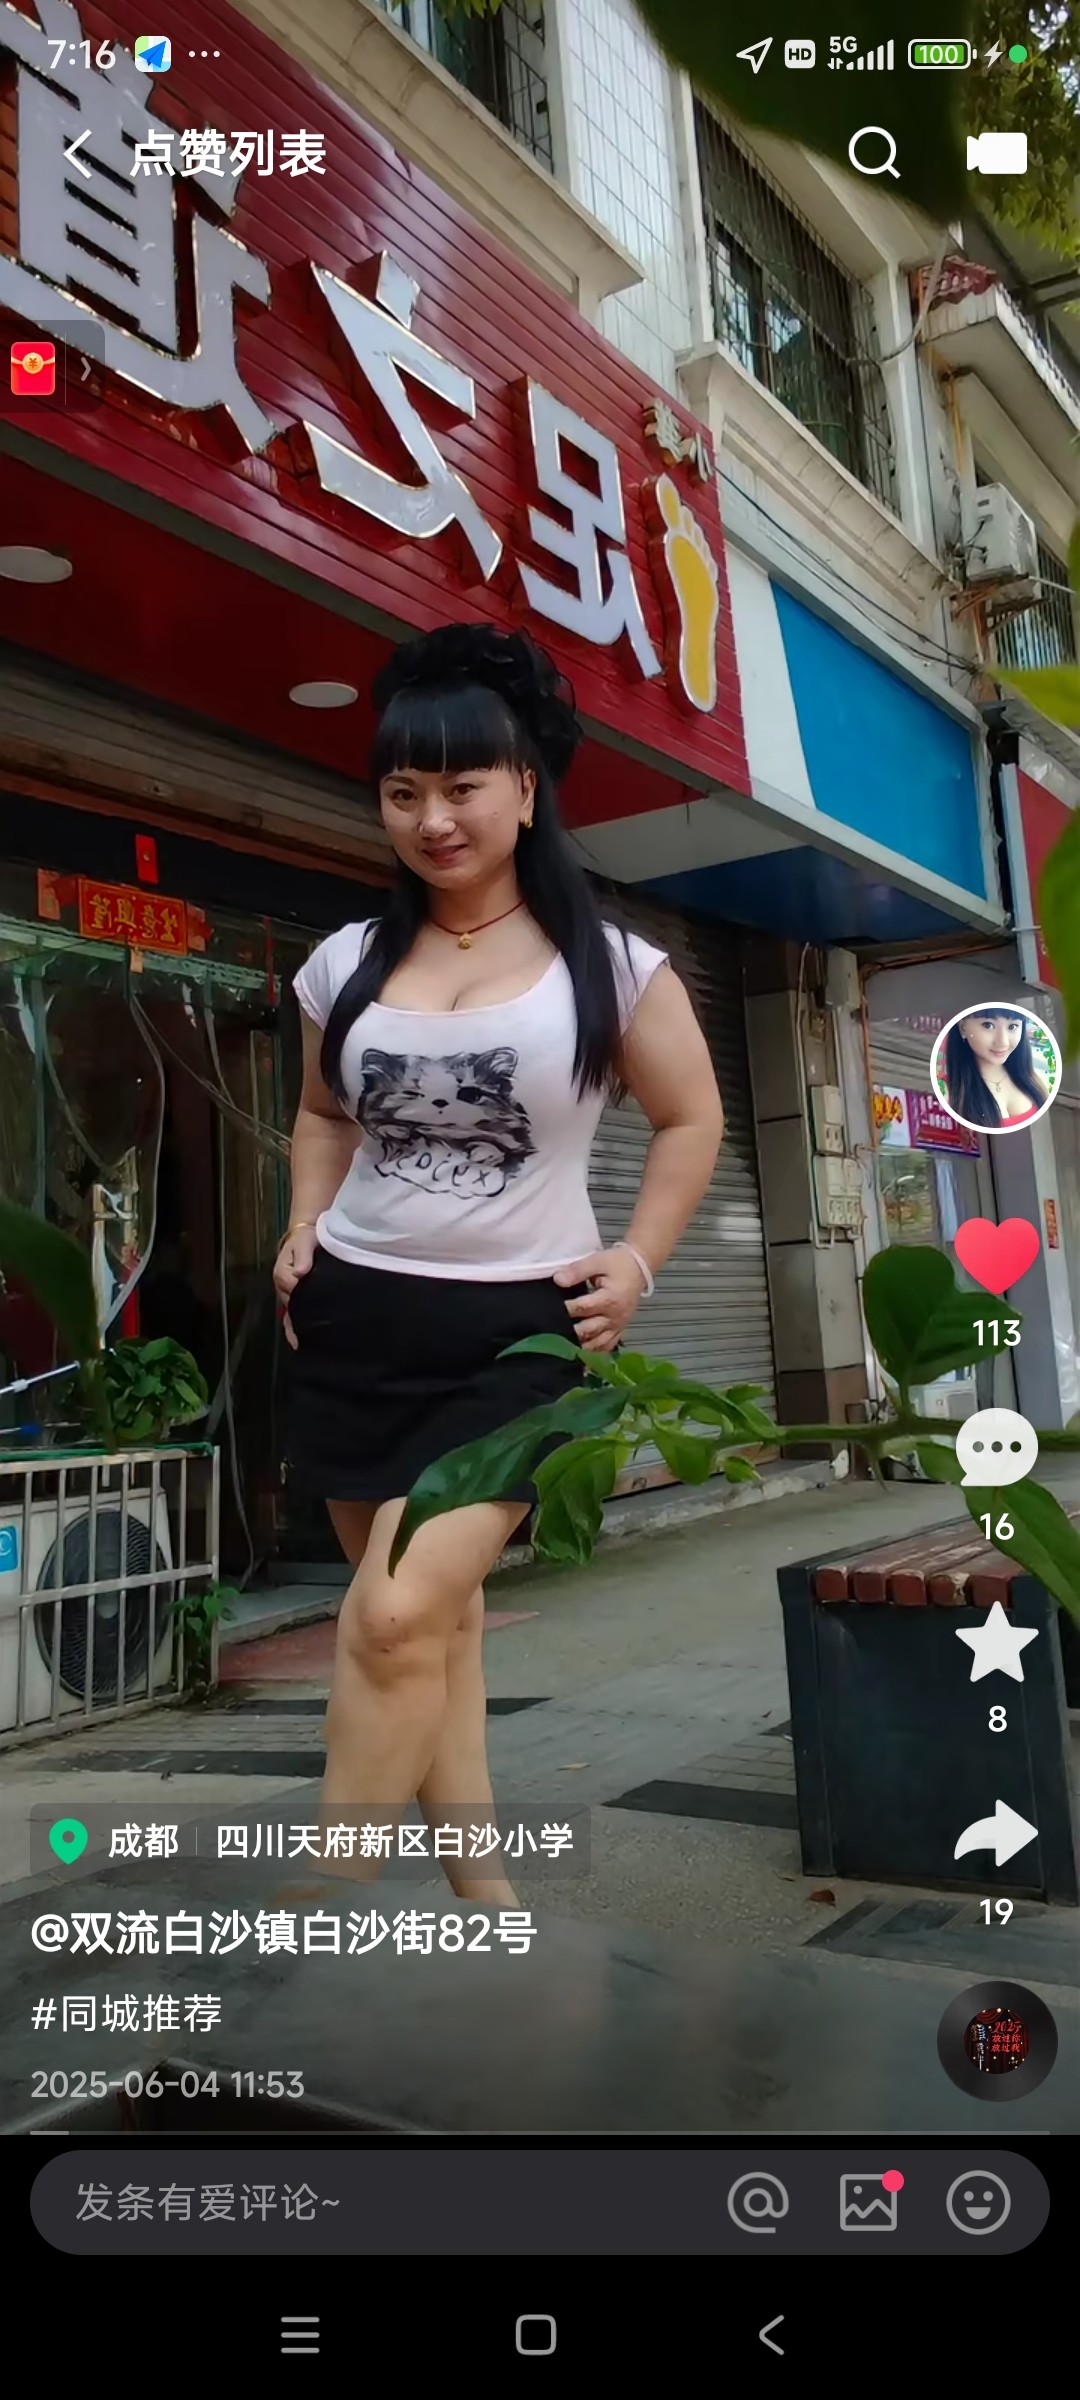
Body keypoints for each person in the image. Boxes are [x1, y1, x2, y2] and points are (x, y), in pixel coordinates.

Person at [273, 622, 724, 1908]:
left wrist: (638, 1261)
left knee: (390, 1614)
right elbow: (321, 1116)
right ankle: (481, 1880)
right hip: (355, 1323)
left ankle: (324, 1899)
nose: (433, 820)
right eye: (402, 792)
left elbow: (692, 1120)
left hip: (523, 1341)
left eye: (463, 786)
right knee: (438, 1621)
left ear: (526, 789)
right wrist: (301, 1224)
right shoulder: (344, 964)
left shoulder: (612, 969)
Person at [941, 1006, 1050, 1130]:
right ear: (963, 1027)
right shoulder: (947, 1091)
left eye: (1012, 1026)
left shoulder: (1031, 1078)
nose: (1002, 1042)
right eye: (988, 1025)